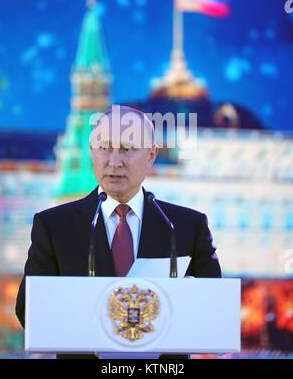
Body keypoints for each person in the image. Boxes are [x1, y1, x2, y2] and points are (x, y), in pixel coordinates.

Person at [16, 105, 221, 359]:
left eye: (127, 149)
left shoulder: (185, 226)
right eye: (105, 148)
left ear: (151, 155)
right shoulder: (54, 226)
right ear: (92, 153)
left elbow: (215, 312)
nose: (114, 161)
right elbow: (29, 311)